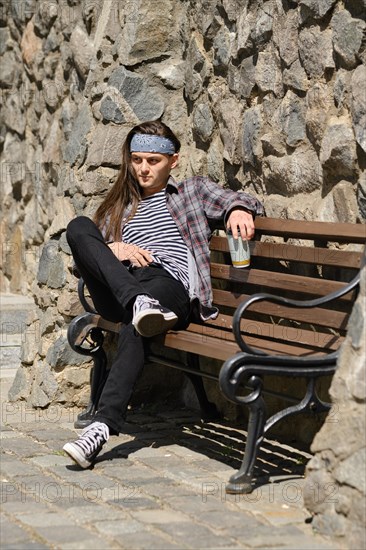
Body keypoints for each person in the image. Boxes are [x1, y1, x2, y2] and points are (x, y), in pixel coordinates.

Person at [63, 120, 263, 469]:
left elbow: (239, 198)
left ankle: (99, 428)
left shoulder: (191, 192)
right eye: (137, 159)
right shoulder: (118, 208)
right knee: (78, 226)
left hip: (168, 285)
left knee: (136, 326)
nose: (143, 168)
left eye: (152, 160)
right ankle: (138, 302)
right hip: (124, 288)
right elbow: (85, 263)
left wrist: (239, 209)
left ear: (173, 161)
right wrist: (115, 248)